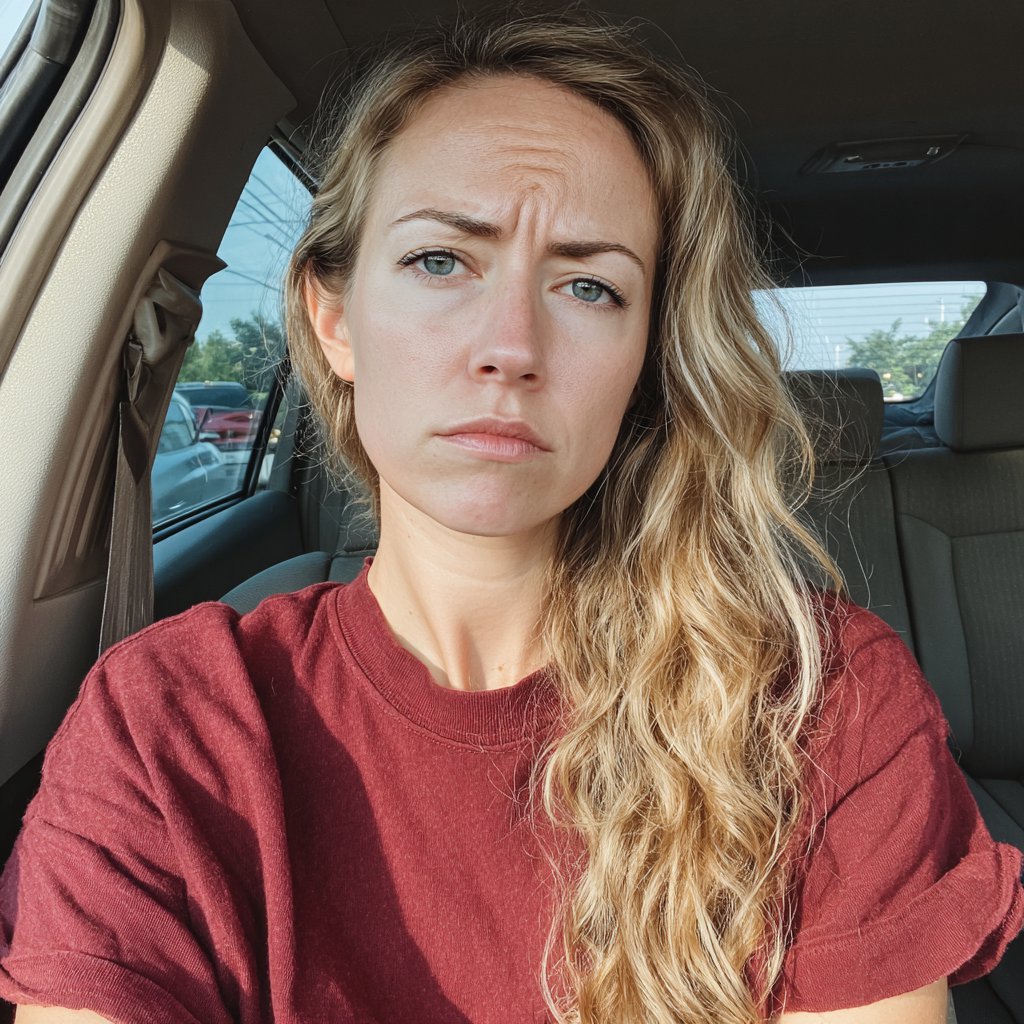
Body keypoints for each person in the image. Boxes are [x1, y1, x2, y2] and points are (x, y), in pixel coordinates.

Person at [1, 9, 1022, 1024]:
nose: (511, 344)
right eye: (441, 261)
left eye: (588, 285)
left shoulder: (819, 702)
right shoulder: (164, 724)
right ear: (334, 316)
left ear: (644, 365)